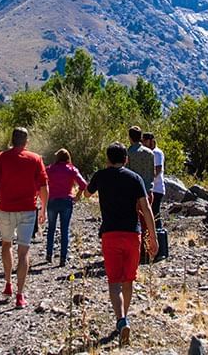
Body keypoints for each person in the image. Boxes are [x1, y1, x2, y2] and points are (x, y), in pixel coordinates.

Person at [84, 142, 157, 346]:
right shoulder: (135, 179)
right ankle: (125, 317)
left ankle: (121, 319)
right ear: (126, 159)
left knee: (114, 281)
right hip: (133, 234)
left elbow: (87, 194)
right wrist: (153, 237)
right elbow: (146, 209)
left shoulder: (101, 176)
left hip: (110, 233)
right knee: (128, 279)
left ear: (108, 159)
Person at [0, 127, 48, 309]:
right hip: (28, 210)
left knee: (6, 245)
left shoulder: (1, 158)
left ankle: (8, 284)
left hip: (6, 209)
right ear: (26, 141)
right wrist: (44, 208)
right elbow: (44, 186)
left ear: (12, 140)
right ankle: (20, 295)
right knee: (24, 251)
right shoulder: (35, 159)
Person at [45, 148, 88, 266]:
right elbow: (83, 185)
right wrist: (77, 197)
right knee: (65, 229)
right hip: (66, 201)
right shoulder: (72, 169)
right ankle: (63, 258)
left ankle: (49, 254)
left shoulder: (50, 169)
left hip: (52, 200)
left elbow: (41, 181)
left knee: (51, 228)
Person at [142, 132, 165, 229]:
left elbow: (158, 169)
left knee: (155, 214)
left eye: (145, 141)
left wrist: (148, 179)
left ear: (150, 141)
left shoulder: (157, 153)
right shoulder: (148, 153)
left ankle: (159, 234)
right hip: (151, 189)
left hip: (156, 189)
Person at [126, 126, 154, 194]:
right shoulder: (150, 152)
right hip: (148, 190)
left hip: (134, 192)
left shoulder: (129, 153)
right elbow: (153, 172)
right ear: (140, 137)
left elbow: (126, 172)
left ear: (130, 137)